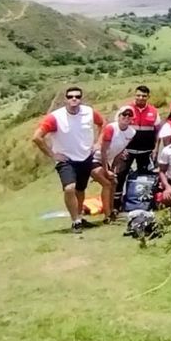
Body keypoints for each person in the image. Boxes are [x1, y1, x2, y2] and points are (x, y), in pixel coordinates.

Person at [32, 86, 108, 233]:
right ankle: (75, 222)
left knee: (80, 190)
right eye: (71, 96)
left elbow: (103, 123)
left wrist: (98, 143)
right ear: (66, 99)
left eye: (77, 96)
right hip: (66, 159)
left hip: (85, 157)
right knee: (69, 188)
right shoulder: (55, 117)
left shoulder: (89, 112)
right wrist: (52, 155)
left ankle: (79, 217)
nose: (74, 99)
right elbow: (36, 137)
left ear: (81, 98)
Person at [124, 85, 159, 165]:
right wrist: (121, 149)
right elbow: (118, 130)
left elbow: (158, 132)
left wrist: (156, 149)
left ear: (148, 97)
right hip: (127, 150)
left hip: (146, 151)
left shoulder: (154, 111)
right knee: (120, 175)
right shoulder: (126, 109)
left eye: (144, 96)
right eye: (138, 95)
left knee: (146, 176)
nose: (141, 98)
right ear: (134, 95)